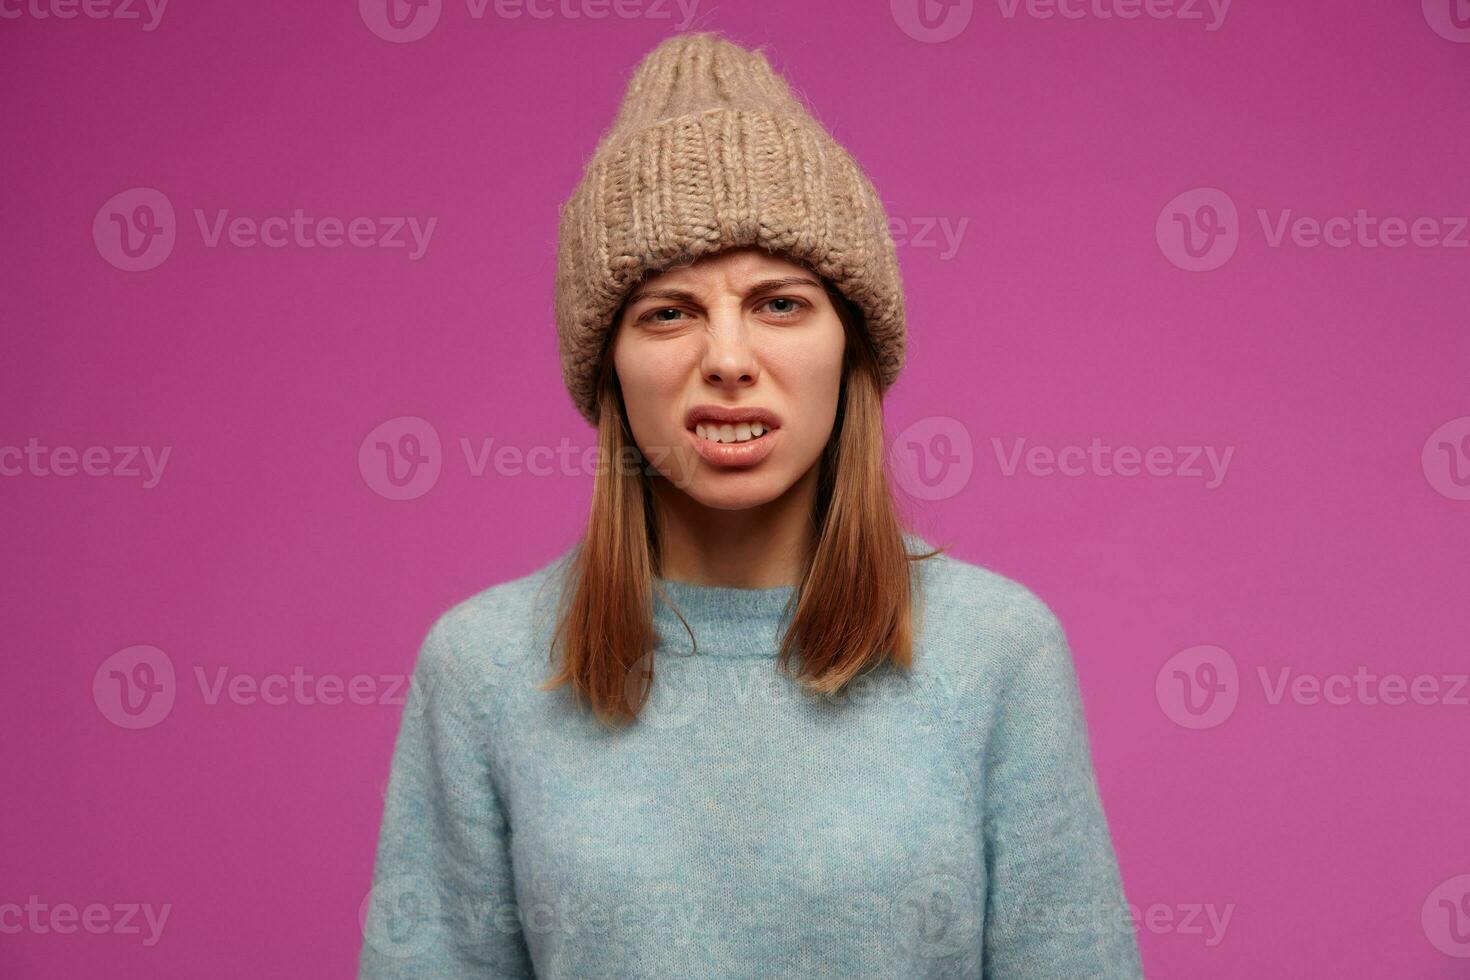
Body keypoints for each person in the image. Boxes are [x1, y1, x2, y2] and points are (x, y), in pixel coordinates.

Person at [357, 30, 1143, 979]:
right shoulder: (483, 668)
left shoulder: (997, 652)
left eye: (779, 303)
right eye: (668, 311)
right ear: (610, 366)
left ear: (850, 350)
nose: (727, 360)